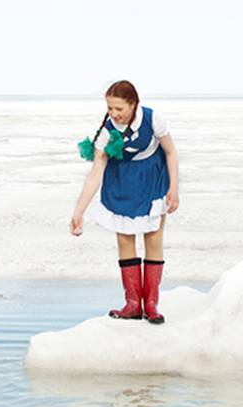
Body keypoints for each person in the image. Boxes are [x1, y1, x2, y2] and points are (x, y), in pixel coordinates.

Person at [68, 80, 181, 323]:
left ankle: (151, 304)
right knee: (124, 238)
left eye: (119, 108)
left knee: (153, 237)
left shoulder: (153, 120)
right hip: (120, 182)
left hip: (152, 178)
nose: (114, 114)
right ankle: (132, 304)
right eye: (110, 108)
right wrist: (79, 211)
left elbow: (171, 152)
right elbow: (95, 173)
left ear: (133, 104)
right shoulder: (107, 132)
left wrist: (174, 188)